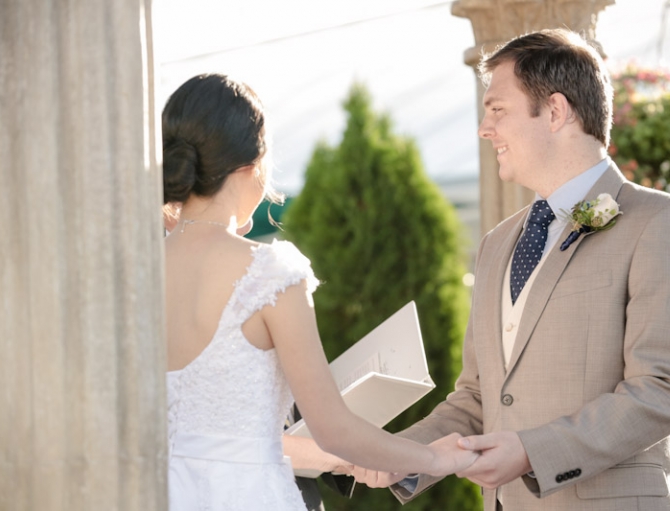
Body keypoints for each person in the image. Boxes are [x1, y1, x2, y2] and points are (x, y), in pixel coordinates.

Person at [353, 28, 670, 511]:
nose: (484, 129)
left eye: (497, 110)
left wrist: (531, 452)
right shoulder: (497, 245)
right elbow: (481, 396)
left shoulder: (661, 223)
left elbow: (665, 390)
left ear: (556, 111)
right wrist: (404, 454)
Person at [162, 73, 478, 511]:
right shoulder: (269, 272)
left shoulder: (136, 272)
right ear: (253, 162)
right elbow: (333, 428)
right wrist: (432, 457)